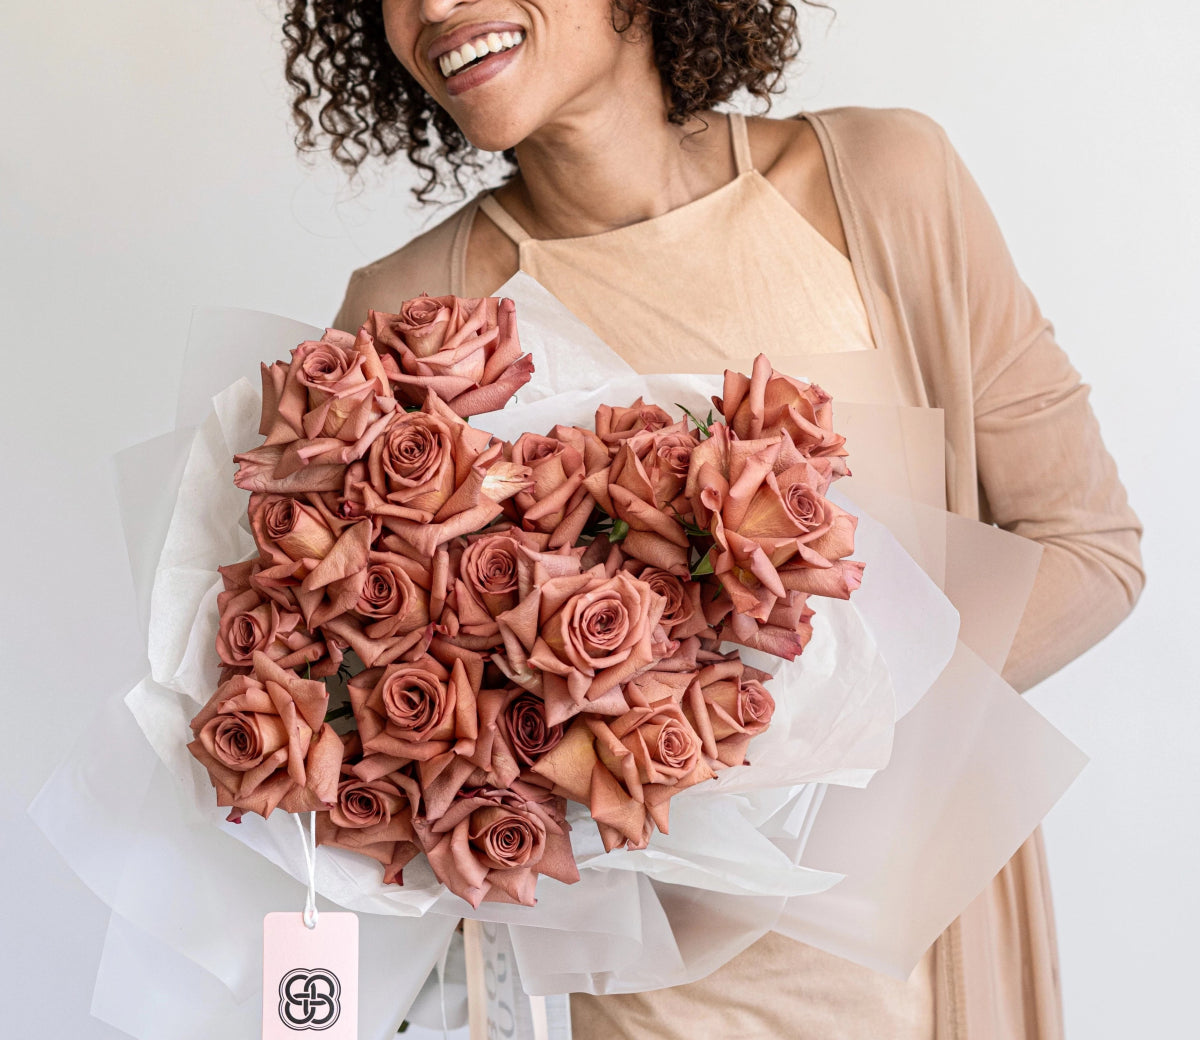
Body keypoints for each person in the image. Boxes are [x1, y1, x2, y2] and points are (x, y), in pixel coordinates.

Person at [282, 2, 1145, 1037]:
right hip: (655, 1006)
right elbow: (343, 715)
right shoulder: (411, 316)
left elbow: (1089, 553)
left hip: (928, 973)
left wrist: (762, 734)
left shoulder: (880, 184)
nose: (431, 7)